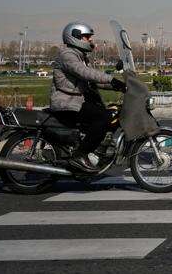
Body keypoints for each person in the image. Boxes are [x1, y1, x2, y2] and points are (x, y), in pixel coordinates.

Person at [50, 22, 127, 172]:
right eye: (87, 37)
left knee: (111, 112)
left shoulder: (81, 56)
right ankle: (79, 156)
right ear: (75, 37)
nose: (90, 40)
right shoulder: (67, 55)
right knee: (103, 118)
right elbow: (85, 73)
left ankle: (98, 150)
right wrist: (111, 79)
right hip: (67, 103)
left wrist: (119, 86)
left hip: (76, 101)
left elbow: (93, 81)